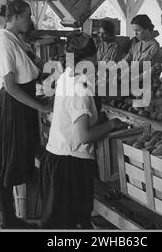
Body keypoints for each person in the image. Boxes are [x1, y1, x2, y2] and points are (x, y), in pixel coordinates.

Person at [40, 33, 127, 229]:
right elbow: (85, 136)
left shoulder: (65, 77)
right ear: (91, 58)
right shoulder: (79, 87)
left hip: (57, 157)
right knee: (67, 225)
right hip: (70, 165)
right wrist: (112, 125)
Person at [0, 0, 51, 229]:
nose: (30, 20)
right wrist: (40, 106)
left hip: (21, 104)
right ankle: (8, 220)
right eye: (27, 16)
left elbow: (32, 69)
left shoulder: (16, 39)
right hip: (11, 106)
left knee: (15, 158)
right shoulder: (3, 41)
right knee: (6, 161)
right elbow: (11, 86)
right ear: (14, 17)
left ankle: (13, 216)